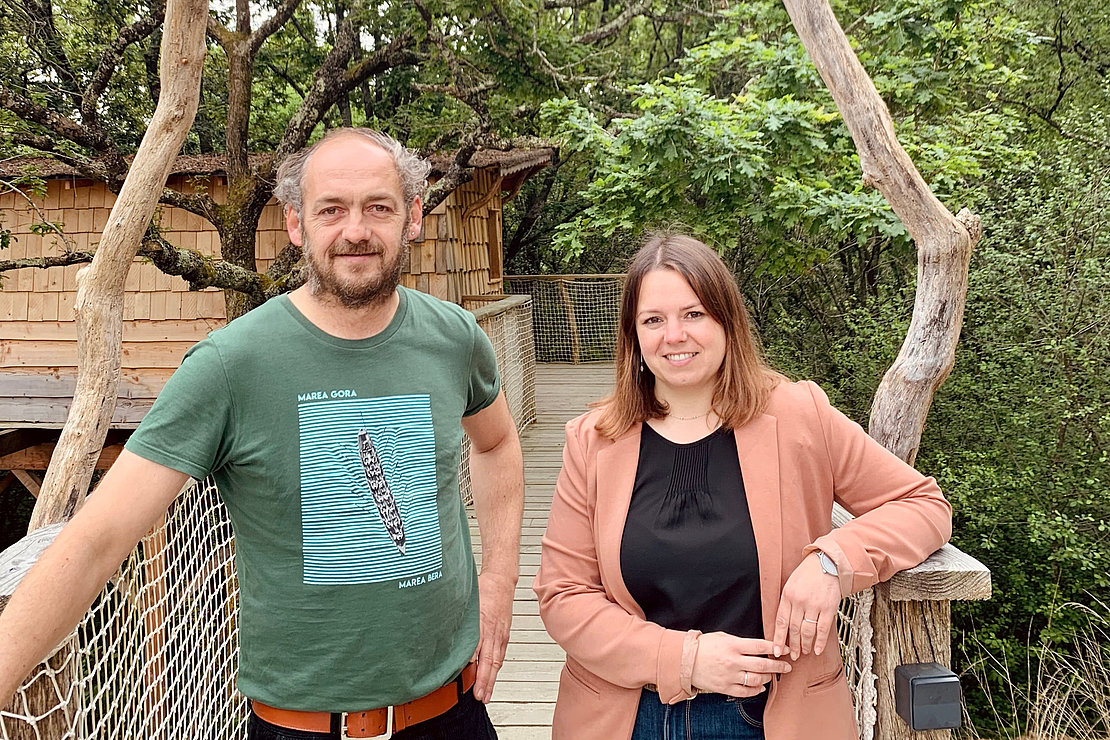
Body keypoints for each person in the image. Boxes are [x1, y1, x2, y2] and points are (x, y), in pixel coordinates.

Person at [0, 128, 524, 740]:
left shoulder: (454, 337)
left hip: (451, 714)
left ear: (412, 217)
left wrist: (500, 580)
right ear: (297, 225)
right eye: (331, 210)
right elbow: (96, 541)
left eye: (378, 207)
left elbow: (496, 442)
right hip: (300, 727)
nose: (355, 229)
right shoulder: (231, 364)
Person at [533, 232, 952, 740]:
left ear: (727, 321)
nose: (674, 335)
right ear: (634, 337)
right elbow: (564, 595)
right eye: (653, 320)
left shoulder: (800, 415)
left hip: (768, 715)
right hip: (626, 714)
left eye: (694, 314)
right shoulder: (594, 440)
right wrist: (684, 660)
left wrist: (831, 562)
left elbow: (922, 504)